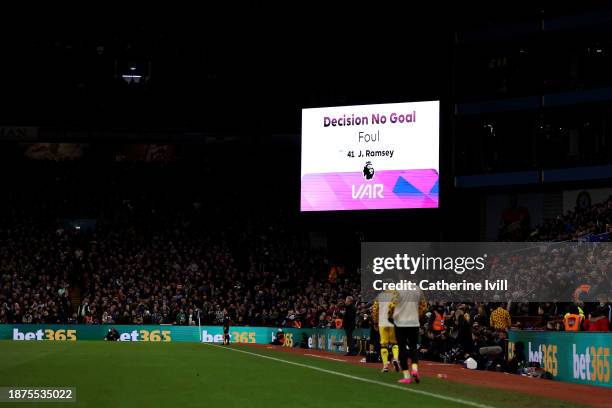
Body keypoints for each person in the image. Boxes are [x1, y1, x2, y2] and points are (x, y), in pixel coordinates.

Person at [388, 289, 424, 384]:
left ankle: (407, 376)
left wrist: (390, 316)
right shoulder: (417, 289)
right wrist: (417, 315)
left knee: (402, 347)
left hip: (400, 323)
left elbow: (391, 305)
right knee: (413, 346)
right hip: (413, 322)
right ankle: (415, 369)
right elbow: (423, 306)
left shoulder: (398, 290)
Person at [372, 291, 400, 372]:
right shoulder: (396, 295)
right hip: (393, 321)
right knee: (395, 343)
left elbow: (375, 309)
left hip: (383, 321)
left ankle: (385, 366)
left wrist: (375, 322)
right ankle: (395, 358)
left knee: (383, 344)